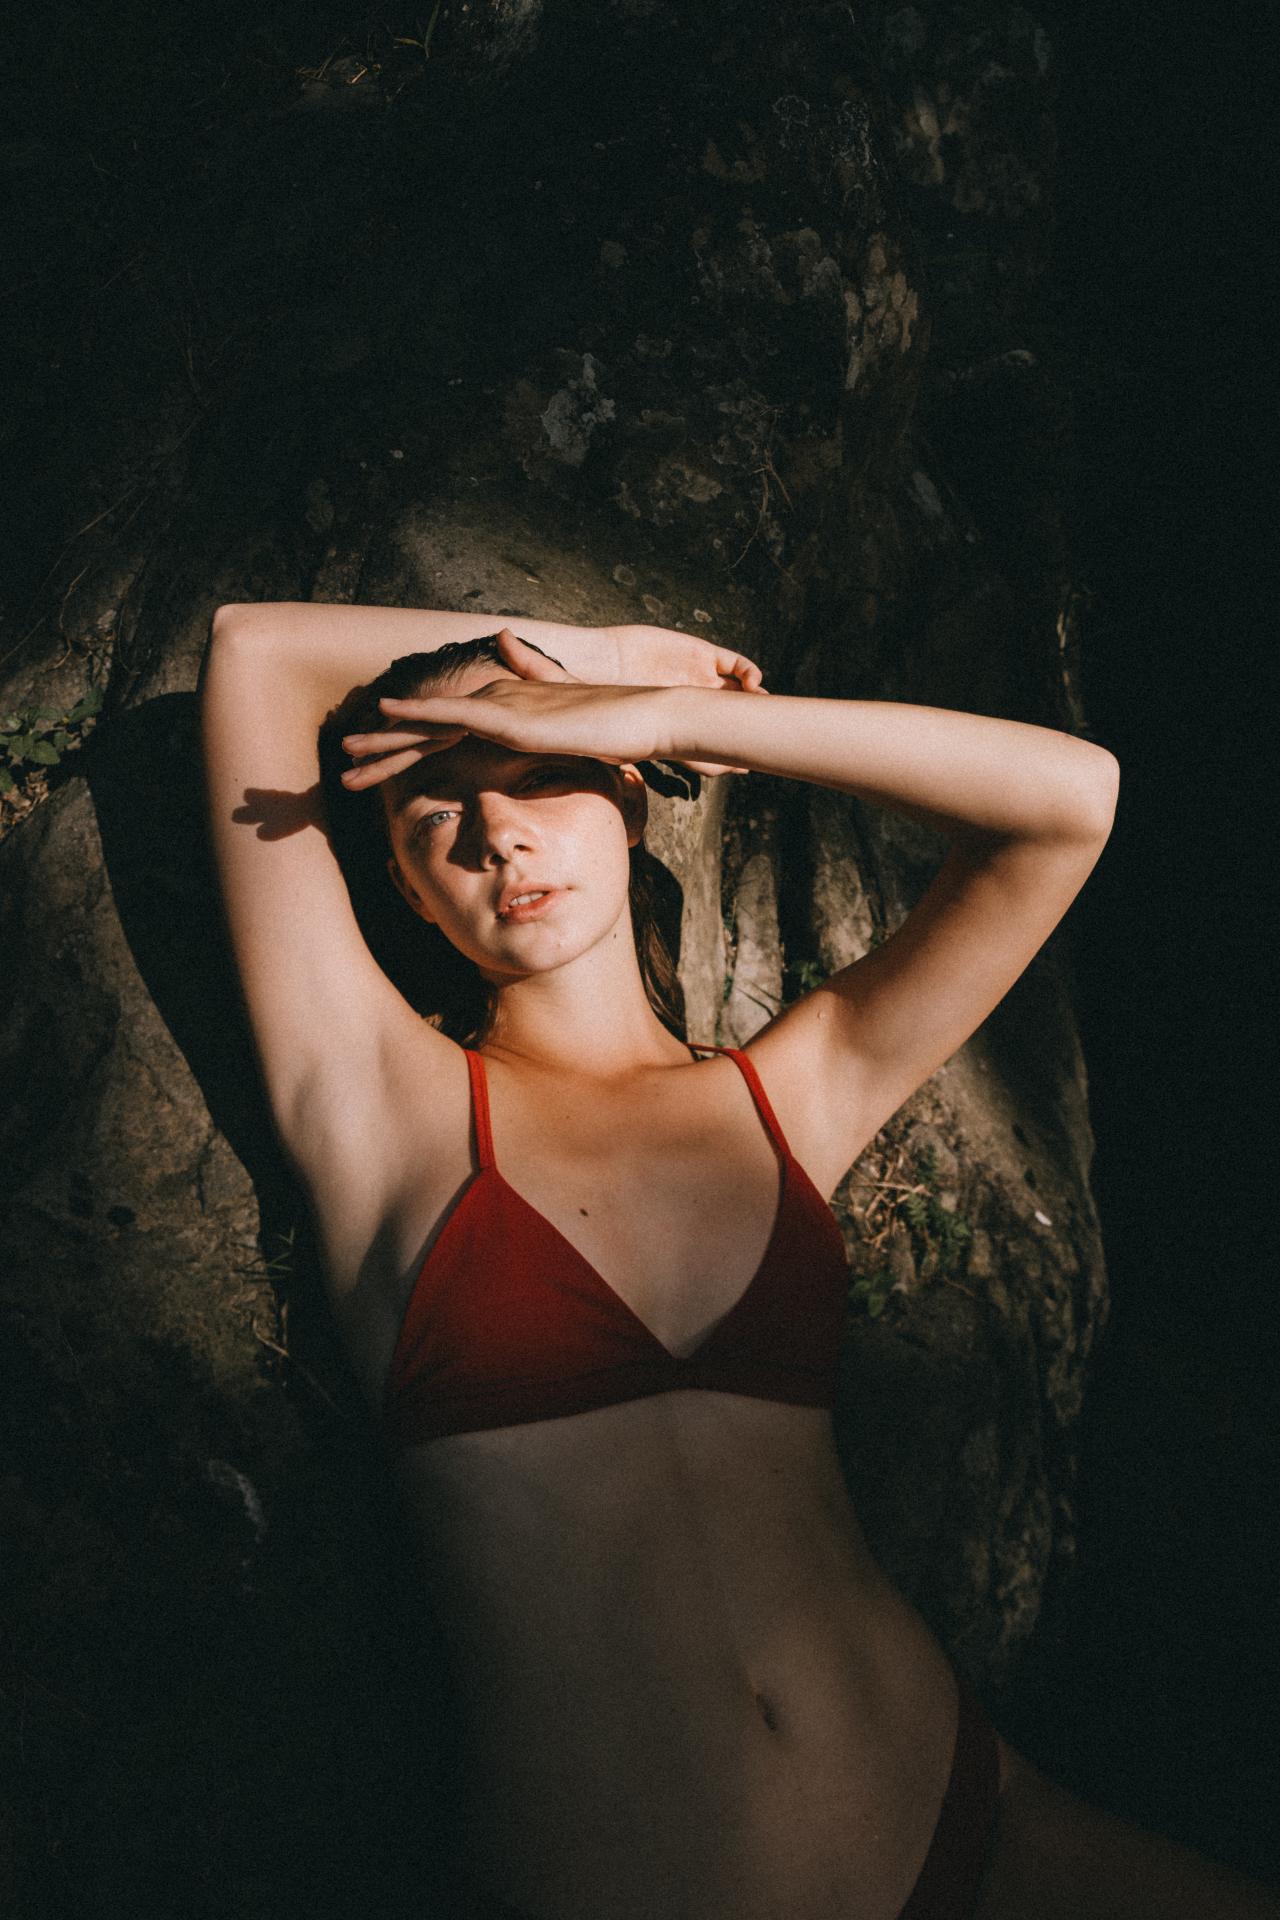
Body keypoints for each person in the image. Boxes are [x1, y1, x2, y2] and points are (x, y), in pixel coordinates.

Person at [201, 603, 1277, 1919]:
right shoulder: (379, 1105)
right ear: (406, 890)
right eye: (437, 818)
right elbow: (256, 652)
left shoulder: (793, 1098)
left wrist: (653, 711)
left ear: (630, 802)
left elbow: (1069, 802)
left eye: (540, 776)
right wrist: (601, 653)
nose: (498, 835)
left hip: (967, 1820)